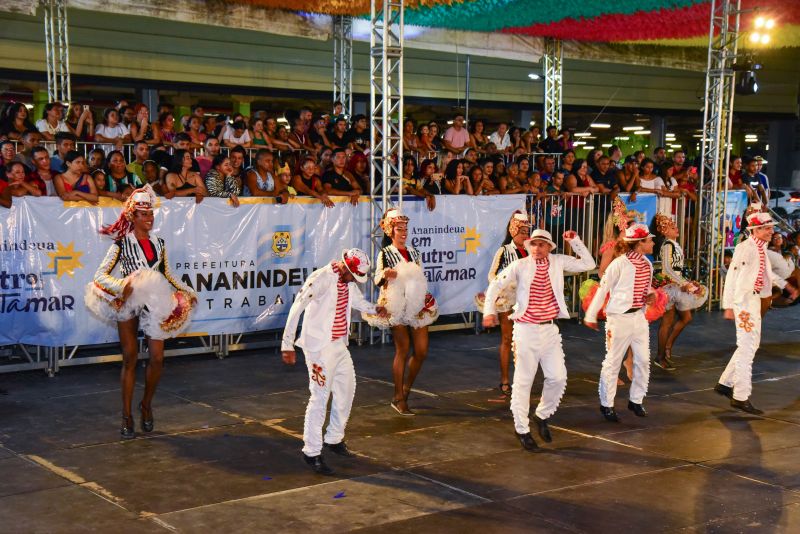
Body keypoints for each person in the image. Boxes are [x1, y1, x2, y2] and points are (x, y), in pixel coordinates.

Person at [86, 185, 197, 439]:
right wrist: (122, 285)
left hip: (154, 302)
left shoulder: (159, 243)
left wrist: (188, 291)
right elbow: (99, 275)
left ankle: (146, 404)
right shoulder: (121, 244)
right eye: (143, 215)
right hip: (128, 303)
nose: (149, 219)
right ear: (132, 217)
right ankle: (126, 415)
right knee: (130, 358)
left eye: (151, 214)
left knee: (157, 358)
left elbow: (167, 274)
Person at [484, 227, 595, 450]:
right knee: (524, 381)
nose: (536, 248)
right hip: (525, 330)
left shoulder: (558, 261)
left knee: (558, 378)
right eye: (533, 244)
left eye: (541, 244)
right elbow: (496, 284)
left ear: (549, 247)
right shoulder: (520, 265)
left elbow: (589, 264)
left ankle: (542, 415)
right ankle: (522, 429)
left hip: (550, 330)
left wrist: (575, 241)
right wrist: (489, 312)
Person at [281, 248, 386, 475]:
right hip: (319, 348)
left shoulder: (347, 282)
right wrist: (287, 344)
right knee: (319, 397)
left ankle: (334, 438)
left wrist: (376, 309)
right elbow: (297, 306)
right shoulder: (321, 279)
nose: (354, 280)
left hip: (339, 345)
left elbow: (358, 302)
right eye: (353, 275)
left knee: (347, 389)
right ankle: (311, 452)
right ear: (346, 268)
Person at [370, 209, 439, 415]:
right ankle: (398, 396)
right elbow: (377, 279)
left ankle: (407, 388)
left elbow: (420, 276)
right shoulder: (385, 253)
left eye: (405, 229)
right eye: (399, 229)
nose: (404, 232)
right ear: (391, 230)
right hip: (396, 305)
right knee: (403, 349)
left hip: (417, 303)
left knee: (422, 351)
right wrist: (385, 275)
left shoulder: (414, 252)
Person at [585, 223, 655, 422]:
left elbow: (646, 288)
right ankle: (607, 403)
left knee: (643, 360)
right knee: (613, 361)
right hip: (619, 318)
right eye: (649, 240)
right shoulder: (619, 264)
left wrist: (649, 296)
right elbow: (603, 288)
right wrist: (591, 315)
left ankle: (636, 399)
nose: (652, 243)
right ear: (640, 243)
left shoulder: (647, 264)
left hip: (638, 317)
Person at [715, 212, 783, 414]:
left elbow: (768, 274)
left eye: (771, 227)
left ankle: (725, 383)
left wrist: (786, 285)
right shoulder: (745, 249)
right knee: (746, 348)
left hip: (753, 300)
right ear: (757, 229)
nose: (772, 231)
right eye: (768, 228)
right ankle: (740, 396)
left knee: (751, 345)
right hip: (744, 302)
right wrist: (728, 305)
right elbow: (733, 277)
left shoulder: (760, 248)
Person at [477, 212, 532, 397]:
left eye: (527, 232)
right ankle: (505, 380)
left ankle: (523, 380)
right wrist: (503, 286)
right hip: (509, 300)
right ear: (513, 231)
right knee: (508, 339)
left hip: (527, 300)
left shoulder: (532, 251)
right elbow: (492, 275)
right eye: (522, 232)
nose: (525, 235)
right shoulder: (504, 251)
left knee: (525, 342)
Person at [652, 214, 708, 370]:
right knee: (668, 322)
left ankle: (666, 348)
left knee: (684, 318)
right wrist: (683, 283)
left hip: (676, 284)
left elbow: (676, 269)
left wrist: (686, 282)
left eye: (675, 226)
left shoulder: (674, 244)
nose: (676, 228)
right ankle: (661, 355)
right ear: (664, 231)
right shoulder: (667, 245)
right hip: (669, 287)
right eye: (672, 227)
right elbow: (667, 269)